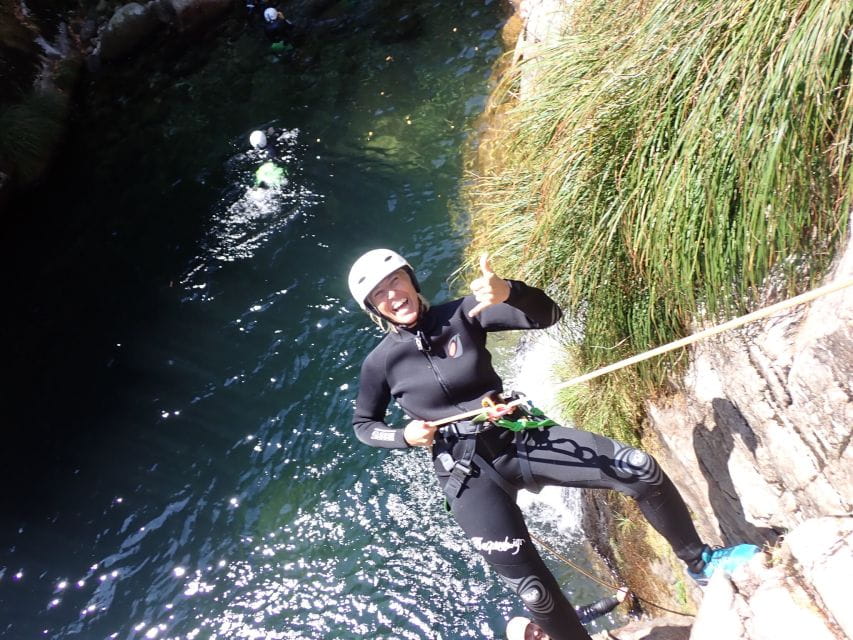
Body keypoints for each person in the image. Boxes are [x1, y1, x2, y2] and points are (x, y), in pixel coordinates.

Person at [348, 249, 760, 640]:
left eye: (396, 281)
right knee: (534, 593)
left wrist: (511, 291)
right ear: (374, 308)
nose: (393, 295)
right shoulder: (380, 363)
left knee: (638, 468)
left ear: (411, 280)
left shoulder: (462, 313)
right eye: (380, 294)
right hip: (467, 474)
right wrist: (402, 436)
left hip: (519, 436)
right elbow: (364, 425)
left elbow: (548, 315)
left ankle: (700, 563)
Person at [506, 587, 629, 640]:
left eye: (531, 627)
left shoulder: (554, 625)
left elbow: (588, 612)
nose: (536, 632)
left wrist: (616, 599)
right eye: (528, 637)